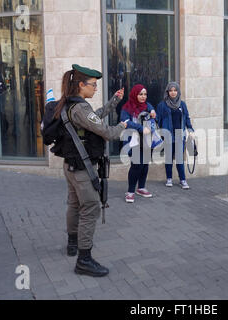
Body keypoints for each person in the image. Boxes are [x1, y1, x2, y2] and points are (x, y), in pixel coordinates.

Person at [51, 64, 128, 277]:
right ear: (81, 85)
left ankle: (72, 244)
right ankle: (84, 260)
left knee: (74, 204)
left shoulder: (70, 104)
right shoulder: (80, 108)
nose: (95, 88)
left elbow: (94, 118)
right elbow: (106, 132)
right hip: (82, 169)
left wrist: (114, 102)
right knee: (90, 208)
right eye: (93, 85)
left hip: (71, 165)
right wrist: (122, 126)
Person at [120, 84, 156, 203]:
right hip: (134, 140)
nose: (143, 96)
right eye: (140, 94)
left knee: (145, 164)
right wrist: (140, 128)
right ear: (135, 94)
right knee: (136, 165)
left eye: (145, 94)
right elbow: (125, 122)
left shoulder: (146, 106)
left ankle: (141, 188)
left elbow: (150, 110)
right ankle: (130, 191)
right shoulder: (127, 107)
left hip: (146, 140)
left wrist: (152, 110)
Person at [156, 82, 195, 189]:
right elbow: (157, 120)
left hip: (179, 135)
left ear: (178, 92)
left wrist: (190, 130)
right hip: (168, 135)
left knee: (179, 159)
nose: (173, 93)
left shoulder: (182, 104)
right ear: (167, 92)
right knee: (168, 158)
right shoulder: (162, 105)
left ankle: (182, 179)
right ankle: (169, 178)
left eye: (175, 90)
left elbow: (187, 118)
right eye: (171, 90)